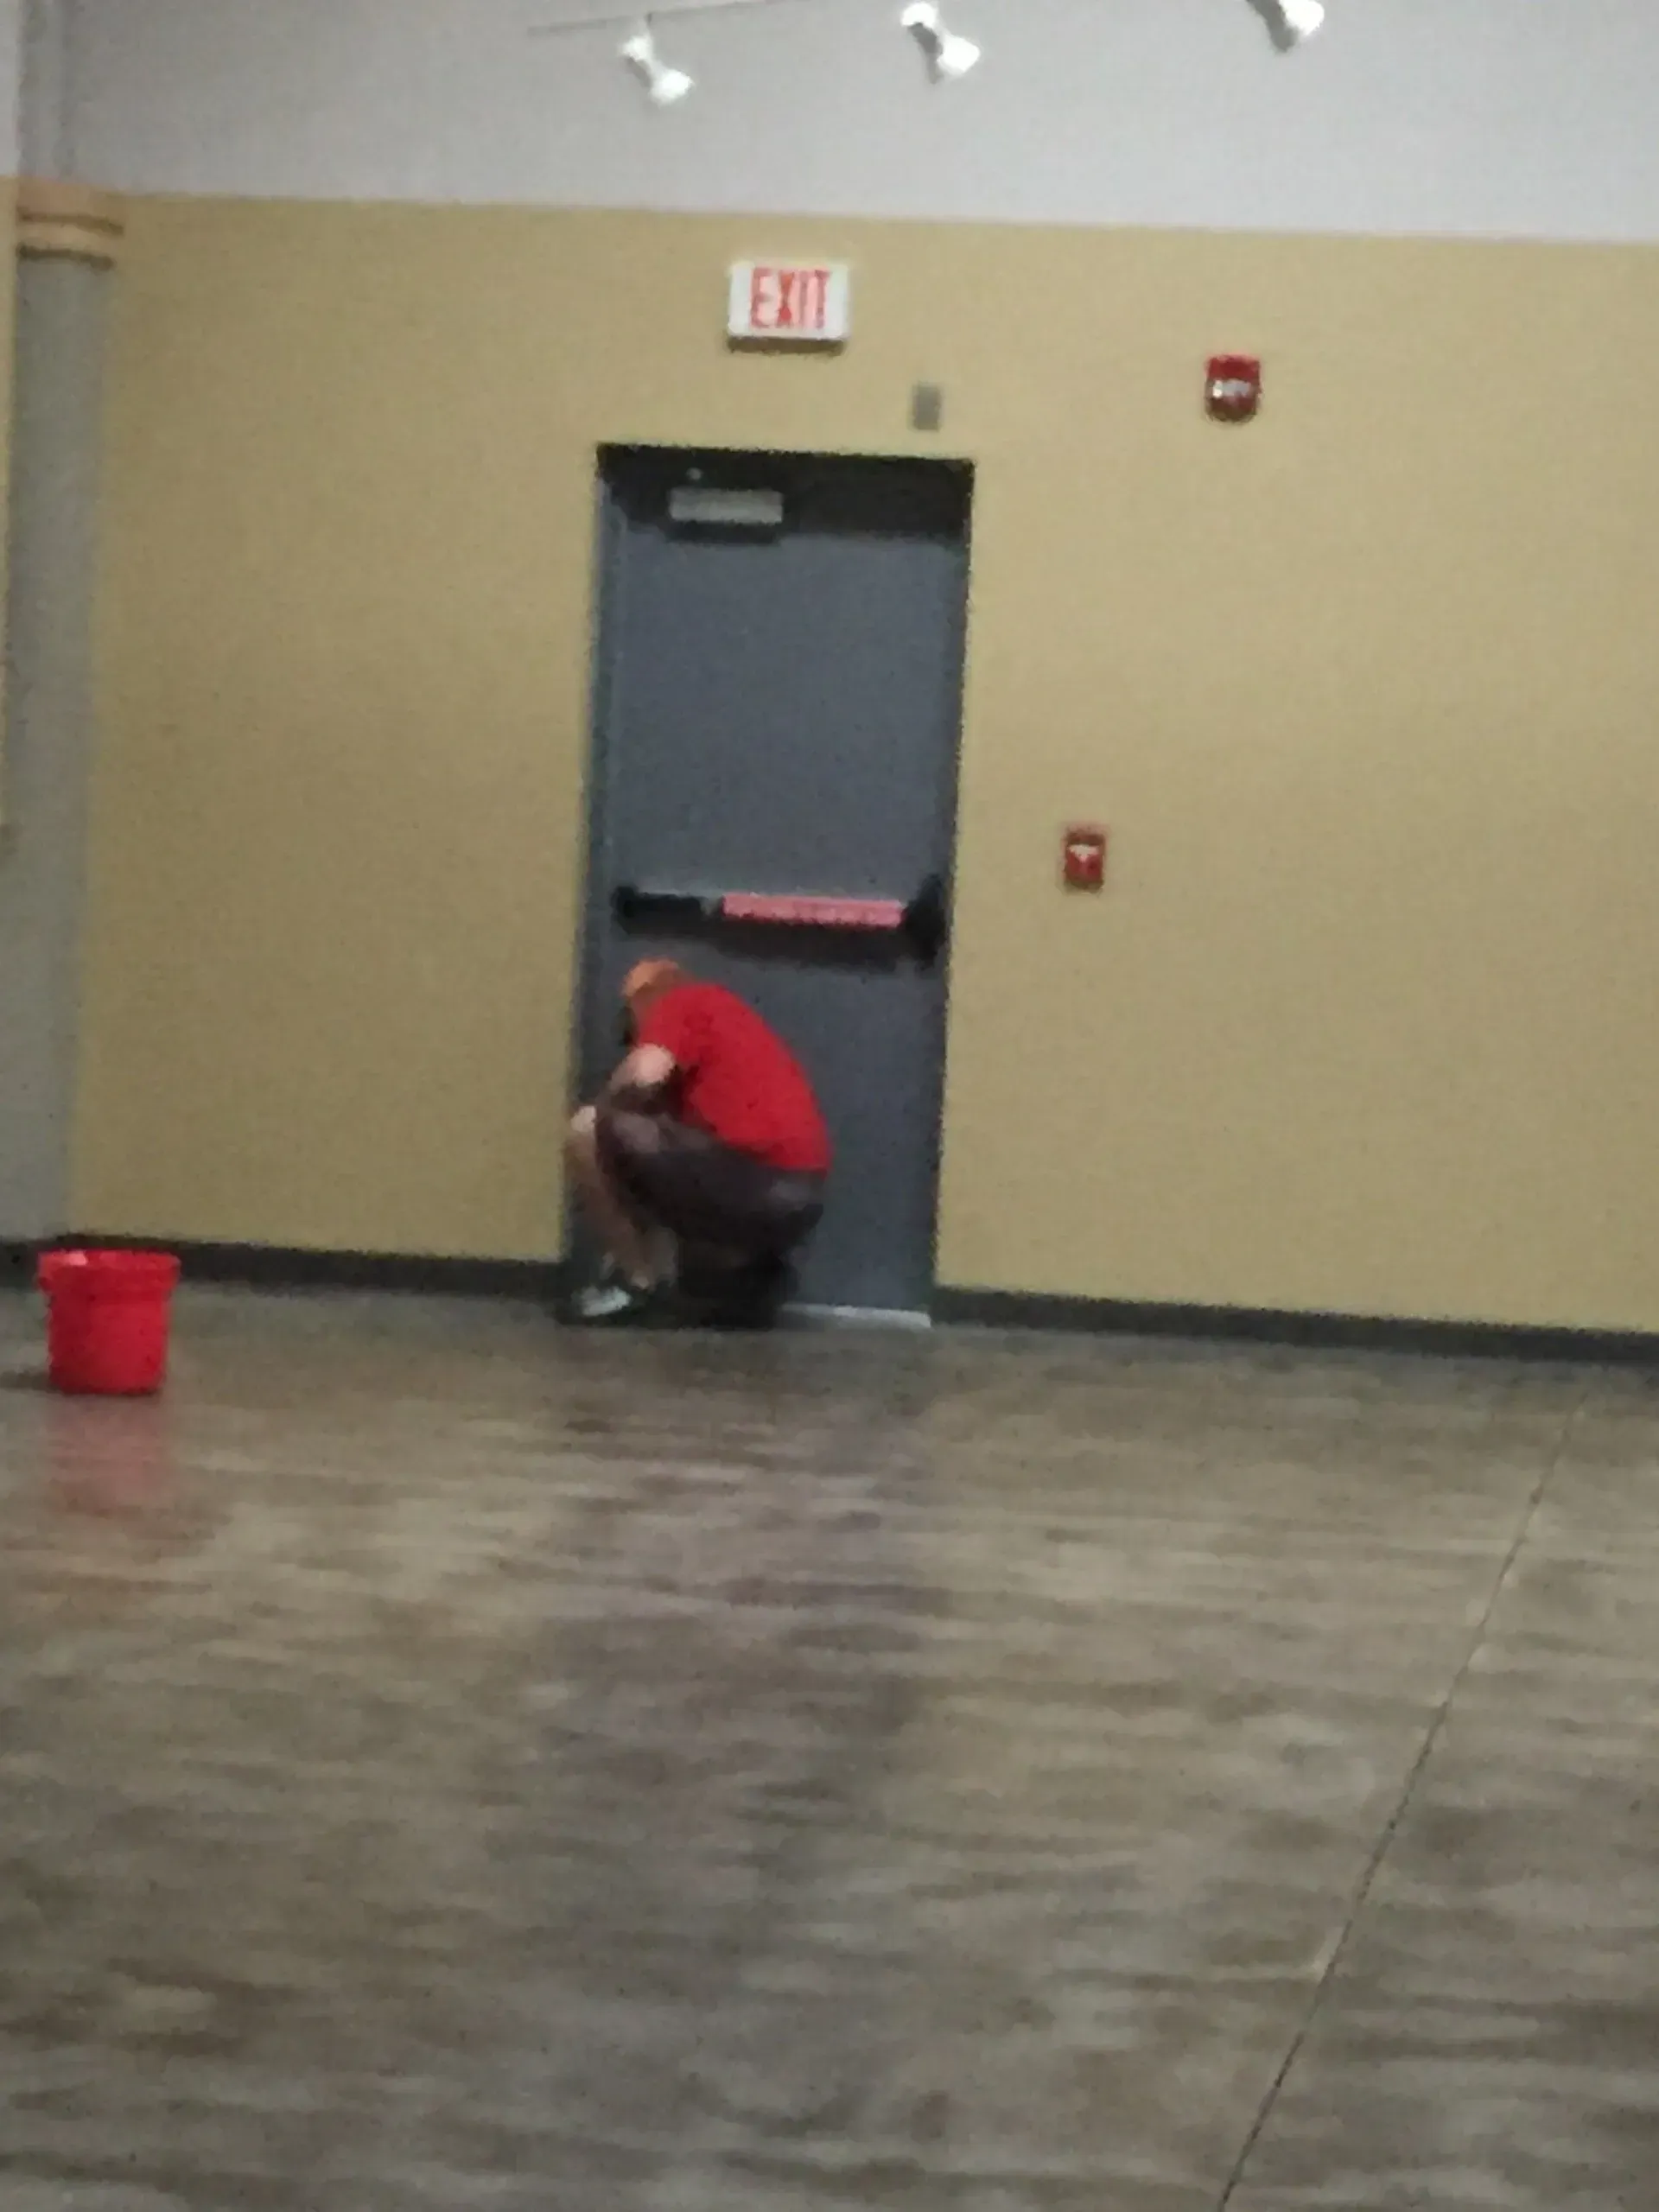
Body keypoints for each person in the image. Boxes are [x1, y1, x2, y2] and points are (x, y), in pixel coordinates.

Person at [566, 960, 831, 1324]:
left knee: (587, 1129)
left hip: (755, 1181)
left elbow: (643, 1075)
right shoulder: (727, 1030)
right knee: (648, 1156)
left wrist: (607, 1100)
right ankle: (746, 1278)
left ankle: (633, 1284)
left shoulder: (683, 1001)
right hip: (801, 1198)